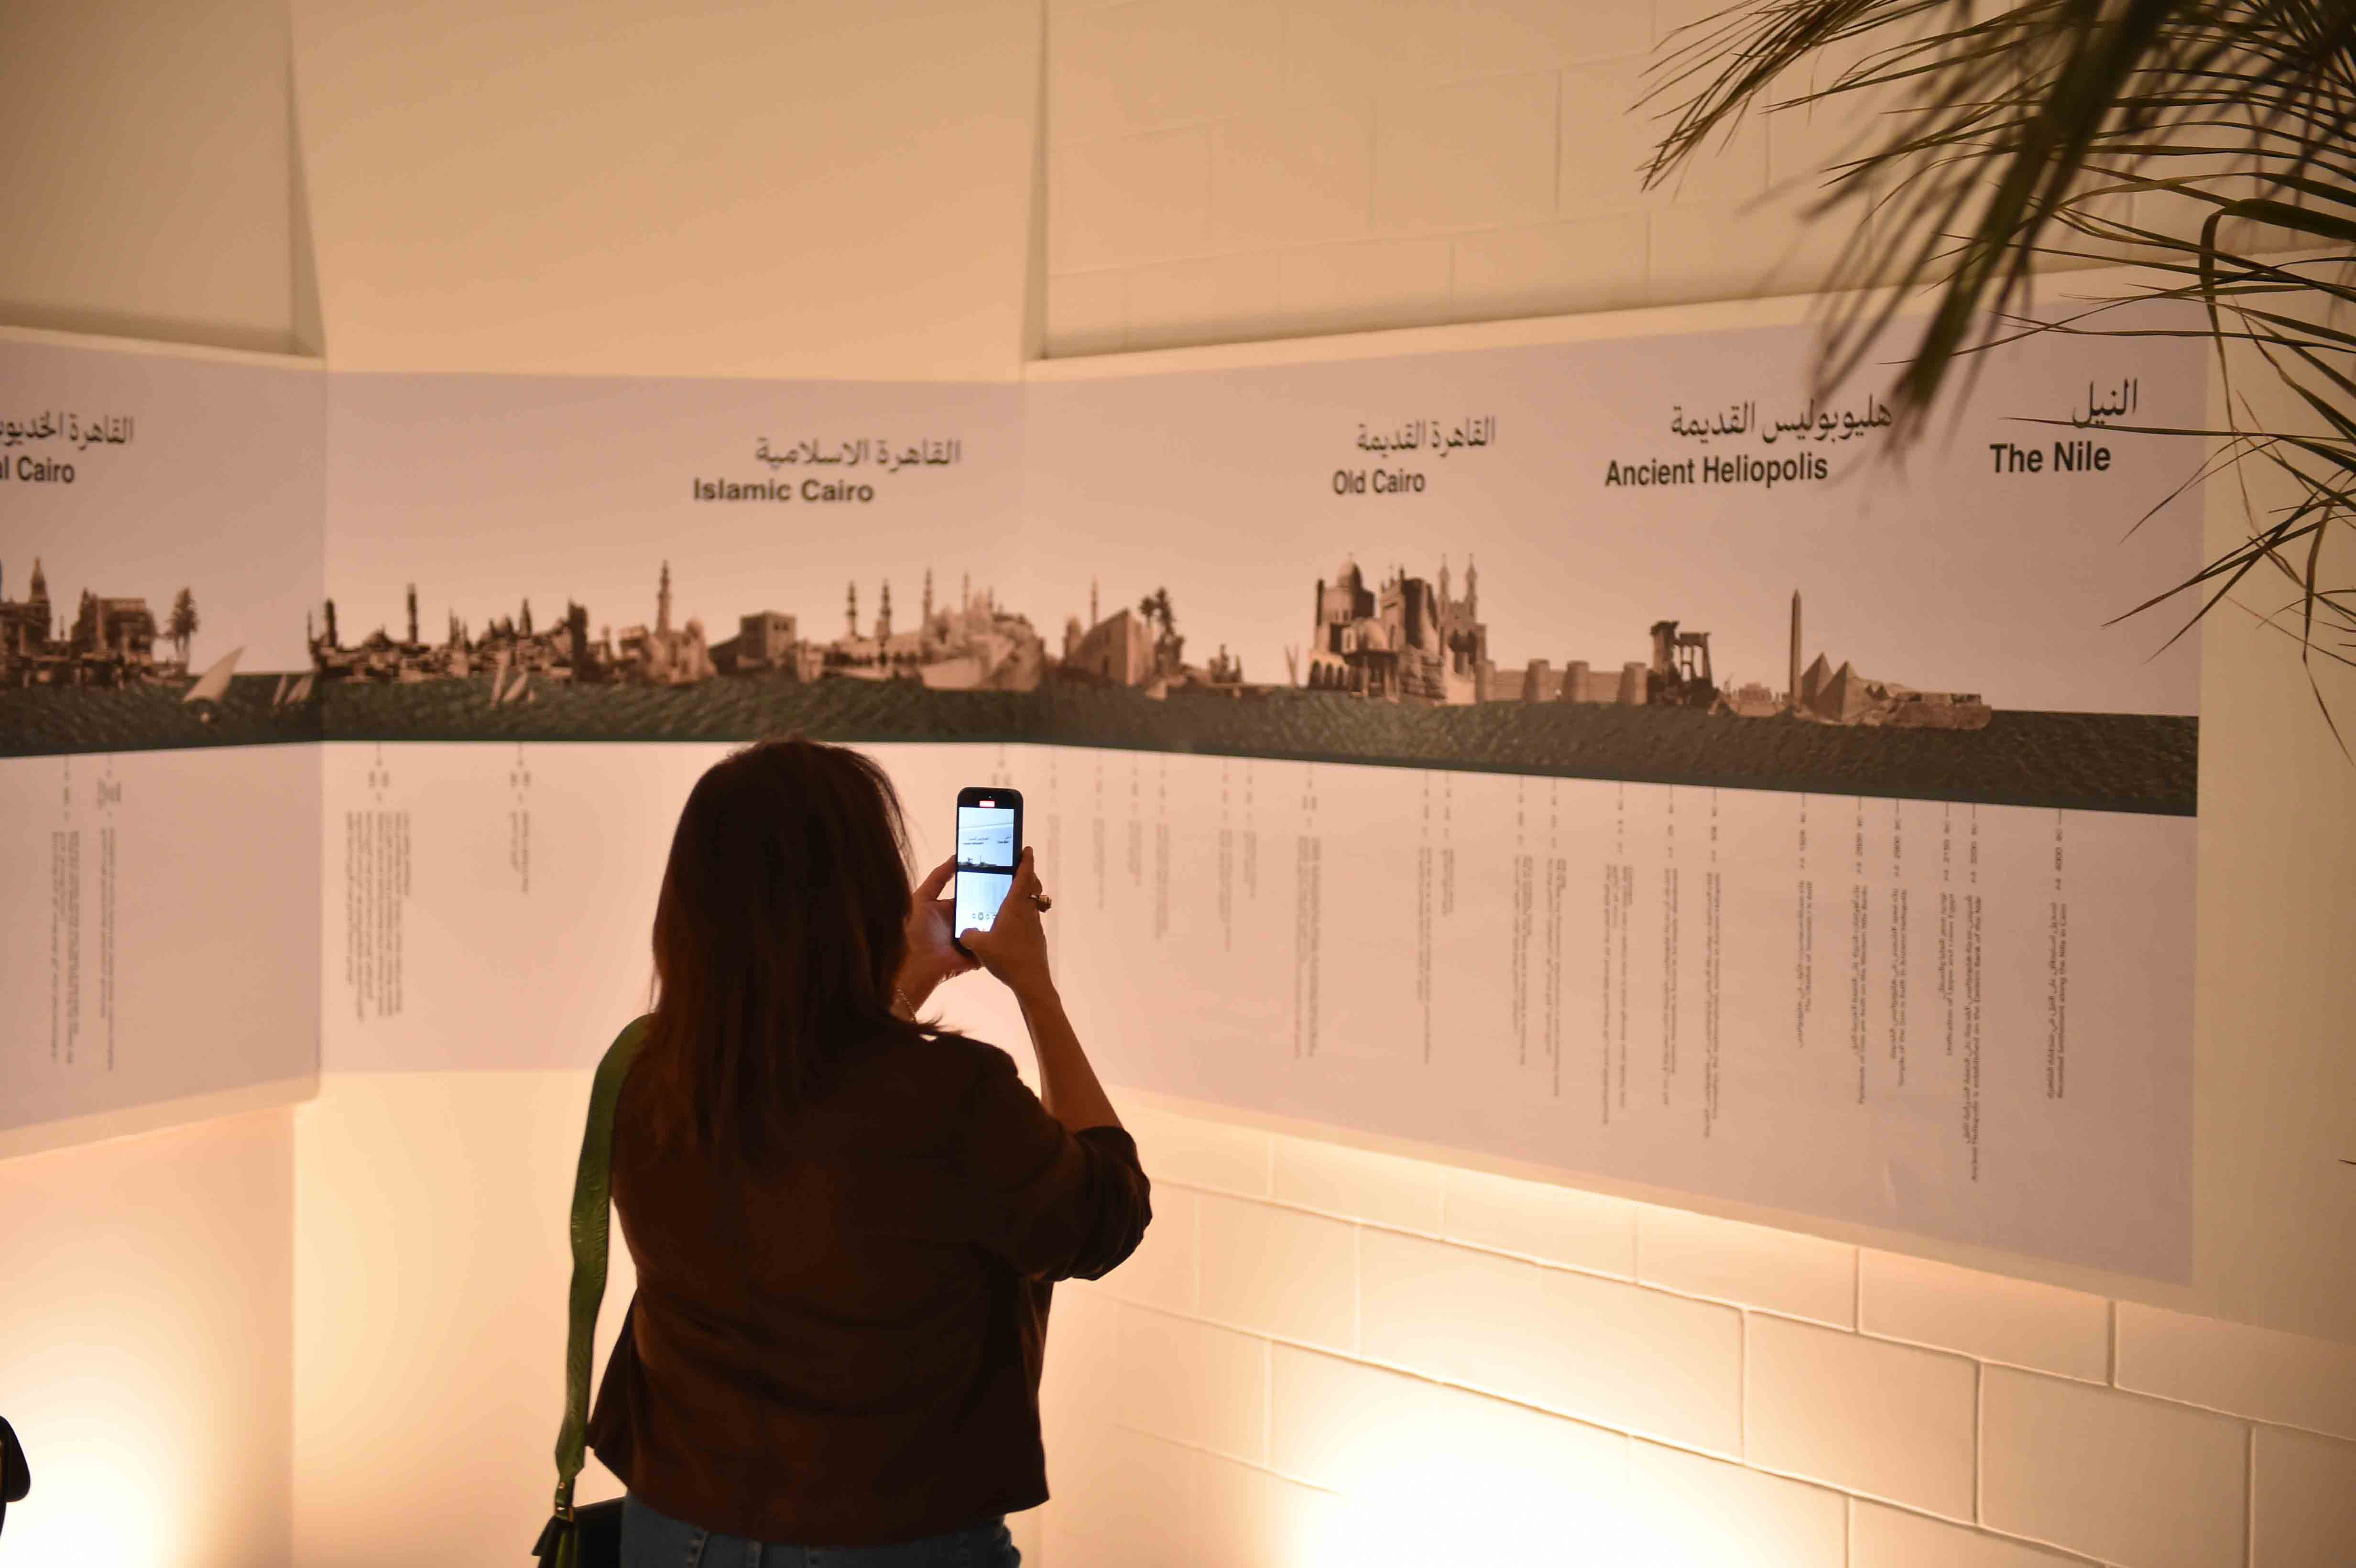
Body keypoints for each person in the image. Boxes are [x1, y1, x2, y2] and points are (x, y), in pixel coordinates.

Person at [588, 738, 1150, 1568]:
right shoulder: (952, 1094)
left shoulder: (649, 1077)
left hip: (675, 1526)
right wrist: (1034, 985)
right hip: (887, 1540)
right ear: (856, 896)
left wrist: (907, 982)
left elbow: (813, 1104)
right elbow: (1103, 1217)